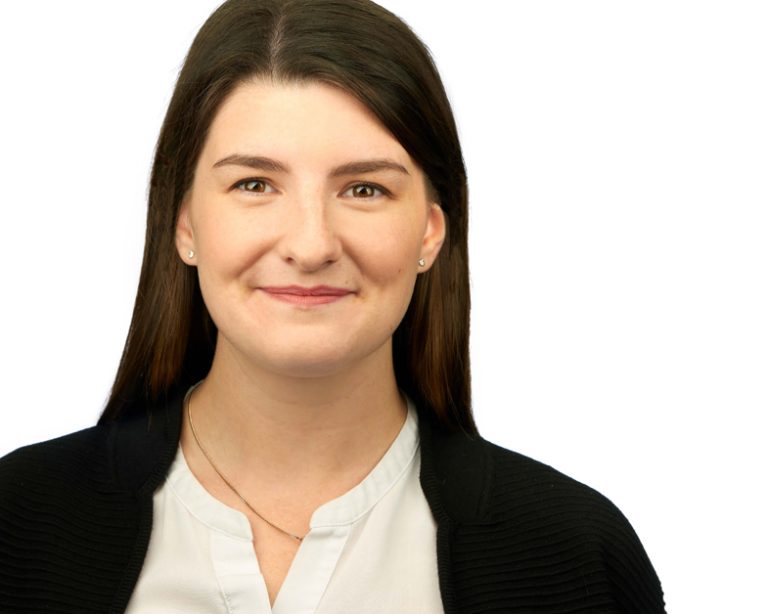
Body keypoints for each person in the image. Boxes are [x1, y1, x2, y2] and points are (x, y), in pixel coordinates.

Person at [0, 0, 665, 612]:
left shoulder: (576, 555)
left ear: (430, 232)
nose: (311, 245)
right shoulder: (19, 524)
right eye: (255, 184)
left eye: (365, 189)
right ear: (184, 223)